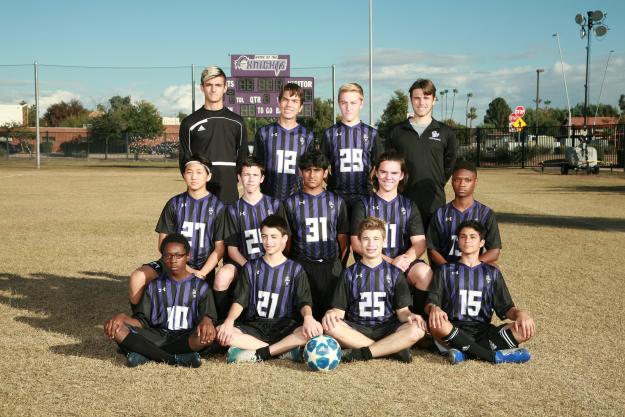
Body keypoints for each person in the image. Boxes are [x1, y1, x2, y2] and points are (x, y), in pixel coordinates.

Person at [216, 215, 323, 363]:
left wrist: (308, 318)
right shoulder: (251, 267)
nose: (268, 242)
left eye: (274, 237)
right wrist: (228, 321)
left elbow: (304, 301)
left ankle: (259, 352)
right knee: (221, 332)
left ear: (284, 239)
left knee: (315, 332)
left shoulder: (295, 269)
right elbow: (240, 301)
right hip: (256, 326)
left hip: (285, 326)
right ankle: (281, 351)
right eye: (264, 237)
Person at [426, 220, 535, 364]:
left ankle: (464, 354)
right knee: (437, 324)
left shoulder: (492, 273)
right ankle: (491, 356)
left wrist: (521, 314)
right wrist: (435, 309)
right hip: (452, 329)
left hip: (483, 331)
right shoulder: (445, 270)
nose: (467, 240)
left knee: (524, 328)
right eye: (463, 237)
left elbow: (506, 308)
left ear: (482, 242)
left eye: (472, 237)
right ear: (458, 241)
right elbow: (431, 301)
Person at [322, 217, 427, 363]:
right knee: (330, 326)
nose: (371, 244)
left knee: (417, 329)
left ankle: (363, 352)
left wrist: (411, 316)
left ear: (384, 241)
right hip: (357, 329)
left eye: (376, 239)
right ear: (359, 241)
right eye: (366, 239)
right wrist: (330, 313)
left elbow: (402, 312)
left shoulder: (395, 273)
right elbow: (338, 312)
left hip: (387, 329)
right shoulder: (348, 273)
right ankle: (391, 351)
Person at [104, 234, 217, 368]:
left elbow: (208, 316)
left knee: (206, 337)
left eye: (178, 255)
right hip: (157, 336)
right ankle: (175, 359)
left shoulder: (201, 286)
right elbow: (142, 321)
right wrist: (122, 318)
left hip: (186, 338)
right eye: (168, 256)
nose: (173, 260)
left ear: (188, 256)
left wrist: (207, 321)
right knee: (117, 330)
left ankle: (143, 354)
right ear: (162, 258)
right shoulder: (154, 285)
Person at [128, 155, 225, 308]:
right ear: (183, 175)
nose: (194, 177)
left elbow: (219, 249)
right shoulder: (174, 203)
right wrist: (185, 268)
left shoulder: (218, 207)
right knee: (137, 277)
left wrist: (201, 273)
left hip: (202, 268)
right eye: (189, 172)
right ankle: (140, 320)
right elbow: (163, 243)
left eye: (199, 172)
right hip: (171, 262)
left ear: (208, 176)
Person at [350, 150, 431, 315]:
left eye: (394, 172)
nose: (388, 177)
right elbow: (356, 243)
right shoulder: (363, 205)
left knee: (424, 273)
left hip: (402, 264)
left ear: (402, 175)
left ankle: (419, 320)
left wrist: (404, 260)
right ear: (376, 173)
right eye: (384, 172)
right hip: (371, 263)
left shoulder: (409, 206)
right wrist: (390, 261)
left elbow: (420, 242)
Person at [214, 156, 288, 321]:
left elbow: (284, 241)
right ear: (239, 177)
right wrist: (249, 267)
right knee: (222, 277)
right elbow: (232, 250)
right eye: (246, 174)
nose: (250, 179)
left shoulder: (275, 205)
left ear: (262, 178)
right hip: (243, 263)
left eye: (255, 175)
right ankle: (220, 321)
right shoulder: (232, 209)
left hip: (270, 262)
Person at [321, 82, 383, 265]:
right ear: (339, 103)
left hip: (362, 199)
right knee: (337, 252)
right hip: (336, 199)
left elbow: (378, 165)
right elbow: (322, 167)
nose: (348, 107)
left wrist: (368, 181)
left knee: (363, 251)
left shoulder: (371, 134)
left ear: (361, 103)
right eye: (344, 102)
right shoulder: (330, 134)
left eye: (353, 102)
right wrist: (332, 184)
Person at [283, 150, 349, 320]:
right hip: (302, 265)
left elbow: (342, 239)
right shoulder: (290, 203)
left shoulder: (337, 201)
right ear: (300, 172)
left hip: (330, 267)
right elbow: (287, 241)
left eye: (317, 170)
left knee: (331, 318)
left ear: (325, 172)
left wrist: (337, 265)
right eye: (307, 170)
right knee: (303, 316)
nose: (312, 175)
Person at [386, 78, 457, 231]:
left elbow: (449, 165)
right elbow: (388, 164)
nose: (421, 102)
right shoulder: (396, 131)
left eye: (426, 97)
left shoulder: (445, 132)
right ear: (411, 100)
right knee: (405, 251)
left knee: (434, 250)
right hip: (402, 200)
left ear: (434, 100)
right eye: (417, 98)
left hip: (433, 201)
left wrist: (436, 182)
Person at [178, 66, 248, 204]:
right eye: (209, 85)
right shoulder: (189, 123)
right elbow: (184, 162)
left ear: (225, 88)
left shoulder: (237, 122)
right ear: (202, 88)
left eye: (218, 85)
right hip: (199, 195)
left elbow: (242, 158)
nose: (213, 89)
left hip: (228, 194)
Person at [427, 160, 501, 268]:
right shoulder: (440, 214)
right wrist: (449, 268)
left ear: (475, 182)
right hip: (446, 269)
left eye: (468, 180)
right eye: (457, 180)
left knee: (495, 268)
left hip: (473, 268)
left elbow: (494, 251)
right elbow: (432, 249)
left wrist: (470, 265)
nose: (462, 184)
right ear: (452, 182)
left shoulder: (486, 214)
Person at [253, 83, 315, 200]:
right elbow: (256, 168)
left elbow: (310, 172)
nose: (289, 105)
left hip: (298, 201)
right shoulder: (264, 133)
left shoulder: (308, 136)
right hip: (268, 199)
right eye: (285, 99)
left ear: (301, 107)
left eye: (294, 101)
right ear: (279, 102)